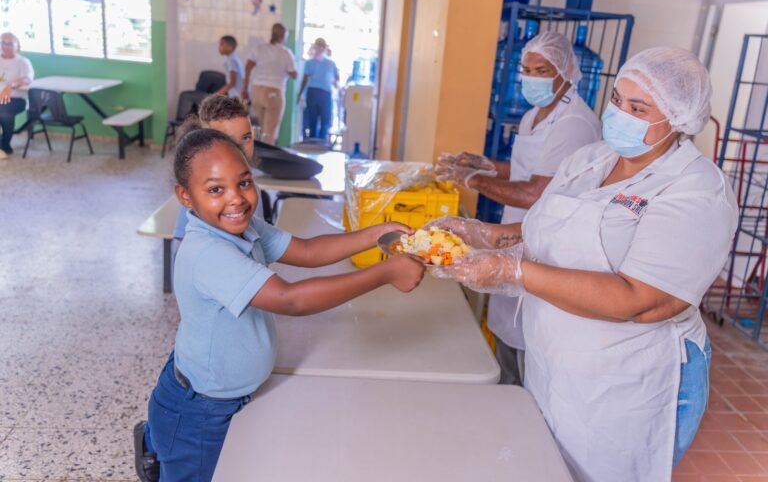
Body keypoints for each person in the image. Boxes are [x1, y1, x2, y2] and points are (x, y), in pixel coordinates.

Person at [429, 47, 738, 481]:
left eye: (638, 107)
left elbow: (641, 299)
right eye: (617, 99)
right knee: (547, 465)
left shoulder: (696, 190)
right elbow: (548, 228)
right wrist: (483, 233)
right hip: (558, 356)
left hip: (627, 377)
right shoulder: (590, 159)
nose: (619, 114)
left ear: (679, 118)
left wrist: (510, 271)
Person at [134, 128, 425, 482]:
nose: (236, 199)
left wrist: (372, 235)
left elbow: (307, 251)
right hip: (201, 409)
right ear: (185, 196)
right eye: (215, 189)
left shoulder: (243, 228)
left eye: (243, 183)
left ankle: (157, 440)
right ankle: (158, 443)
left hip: (222, 395)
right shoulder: (208, 252)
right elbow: (292, 299)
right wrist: (385, 273)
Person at [436, 31, 600, 385]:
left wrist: (475, 182)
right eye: (525, 69)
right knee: (507, 333)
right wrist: (485, 166)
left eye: (540, 70)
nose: (529, 78)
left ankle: (526, 414)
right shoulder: (535, 115)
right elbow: (527, 170)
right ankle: (506, 405)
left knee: (531, 343)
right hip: (514, 235)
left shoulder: (572, 123)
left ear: (565, 72)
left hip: (546, 244)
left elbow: (534, 193)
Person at [171, 94, 263, 240]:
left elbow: (260, 238)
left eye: (246, 138)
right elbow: (184, 243)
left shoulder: (252, 189)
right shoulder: (198, 196)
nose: (241, 149)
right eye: (227, 140)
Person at [242, 23, 297, 145]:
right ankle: (265, 161)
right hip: (274, 92)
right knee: (269, 132)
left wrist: (245, 87)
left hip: (256, 91)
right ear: (283, 36)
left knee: (262, 128)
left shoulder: (259, 48)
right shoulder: (285, 53)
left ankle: (257, 158)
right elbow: (294, 74)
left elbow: (248, 66)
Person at [0, 32, 34, 158]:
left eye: (9, 43)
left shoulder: (23, 62)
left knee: (3, 111)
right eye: (2, 43)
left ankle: (4, 145)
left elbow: (27, 79)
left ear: (17, 46)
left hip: (17, 99)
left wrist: (11, 86)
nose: (5, 46)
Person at [297, 37, 339, 140]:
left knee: (312, 121)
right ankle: (322, 142)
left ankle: (312, 142)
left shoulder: (310, 62)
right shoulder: (331, 63)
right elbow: (336, 80)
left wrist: (300, 94)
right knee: (325, 121)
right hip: (325, 94)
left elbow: (305, 79)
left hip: (313, 93)